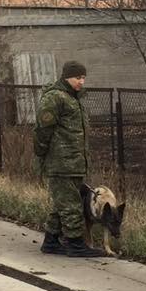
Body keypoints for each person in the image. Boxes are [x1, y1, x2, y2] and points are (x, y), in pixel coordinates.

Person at [33, 60, 103, 257]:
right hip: (60, 162)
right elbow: (42, 130)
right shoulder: (55, 98)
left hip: (74, 162)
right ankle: (75, 244)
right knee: (71, 203)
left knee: (61, 203)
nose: (82, 81)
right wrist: (42, 155)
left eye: (83, 77)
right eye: (77, 78)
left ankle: (51, 241)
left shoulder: (74, 98)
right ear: (66, 77)